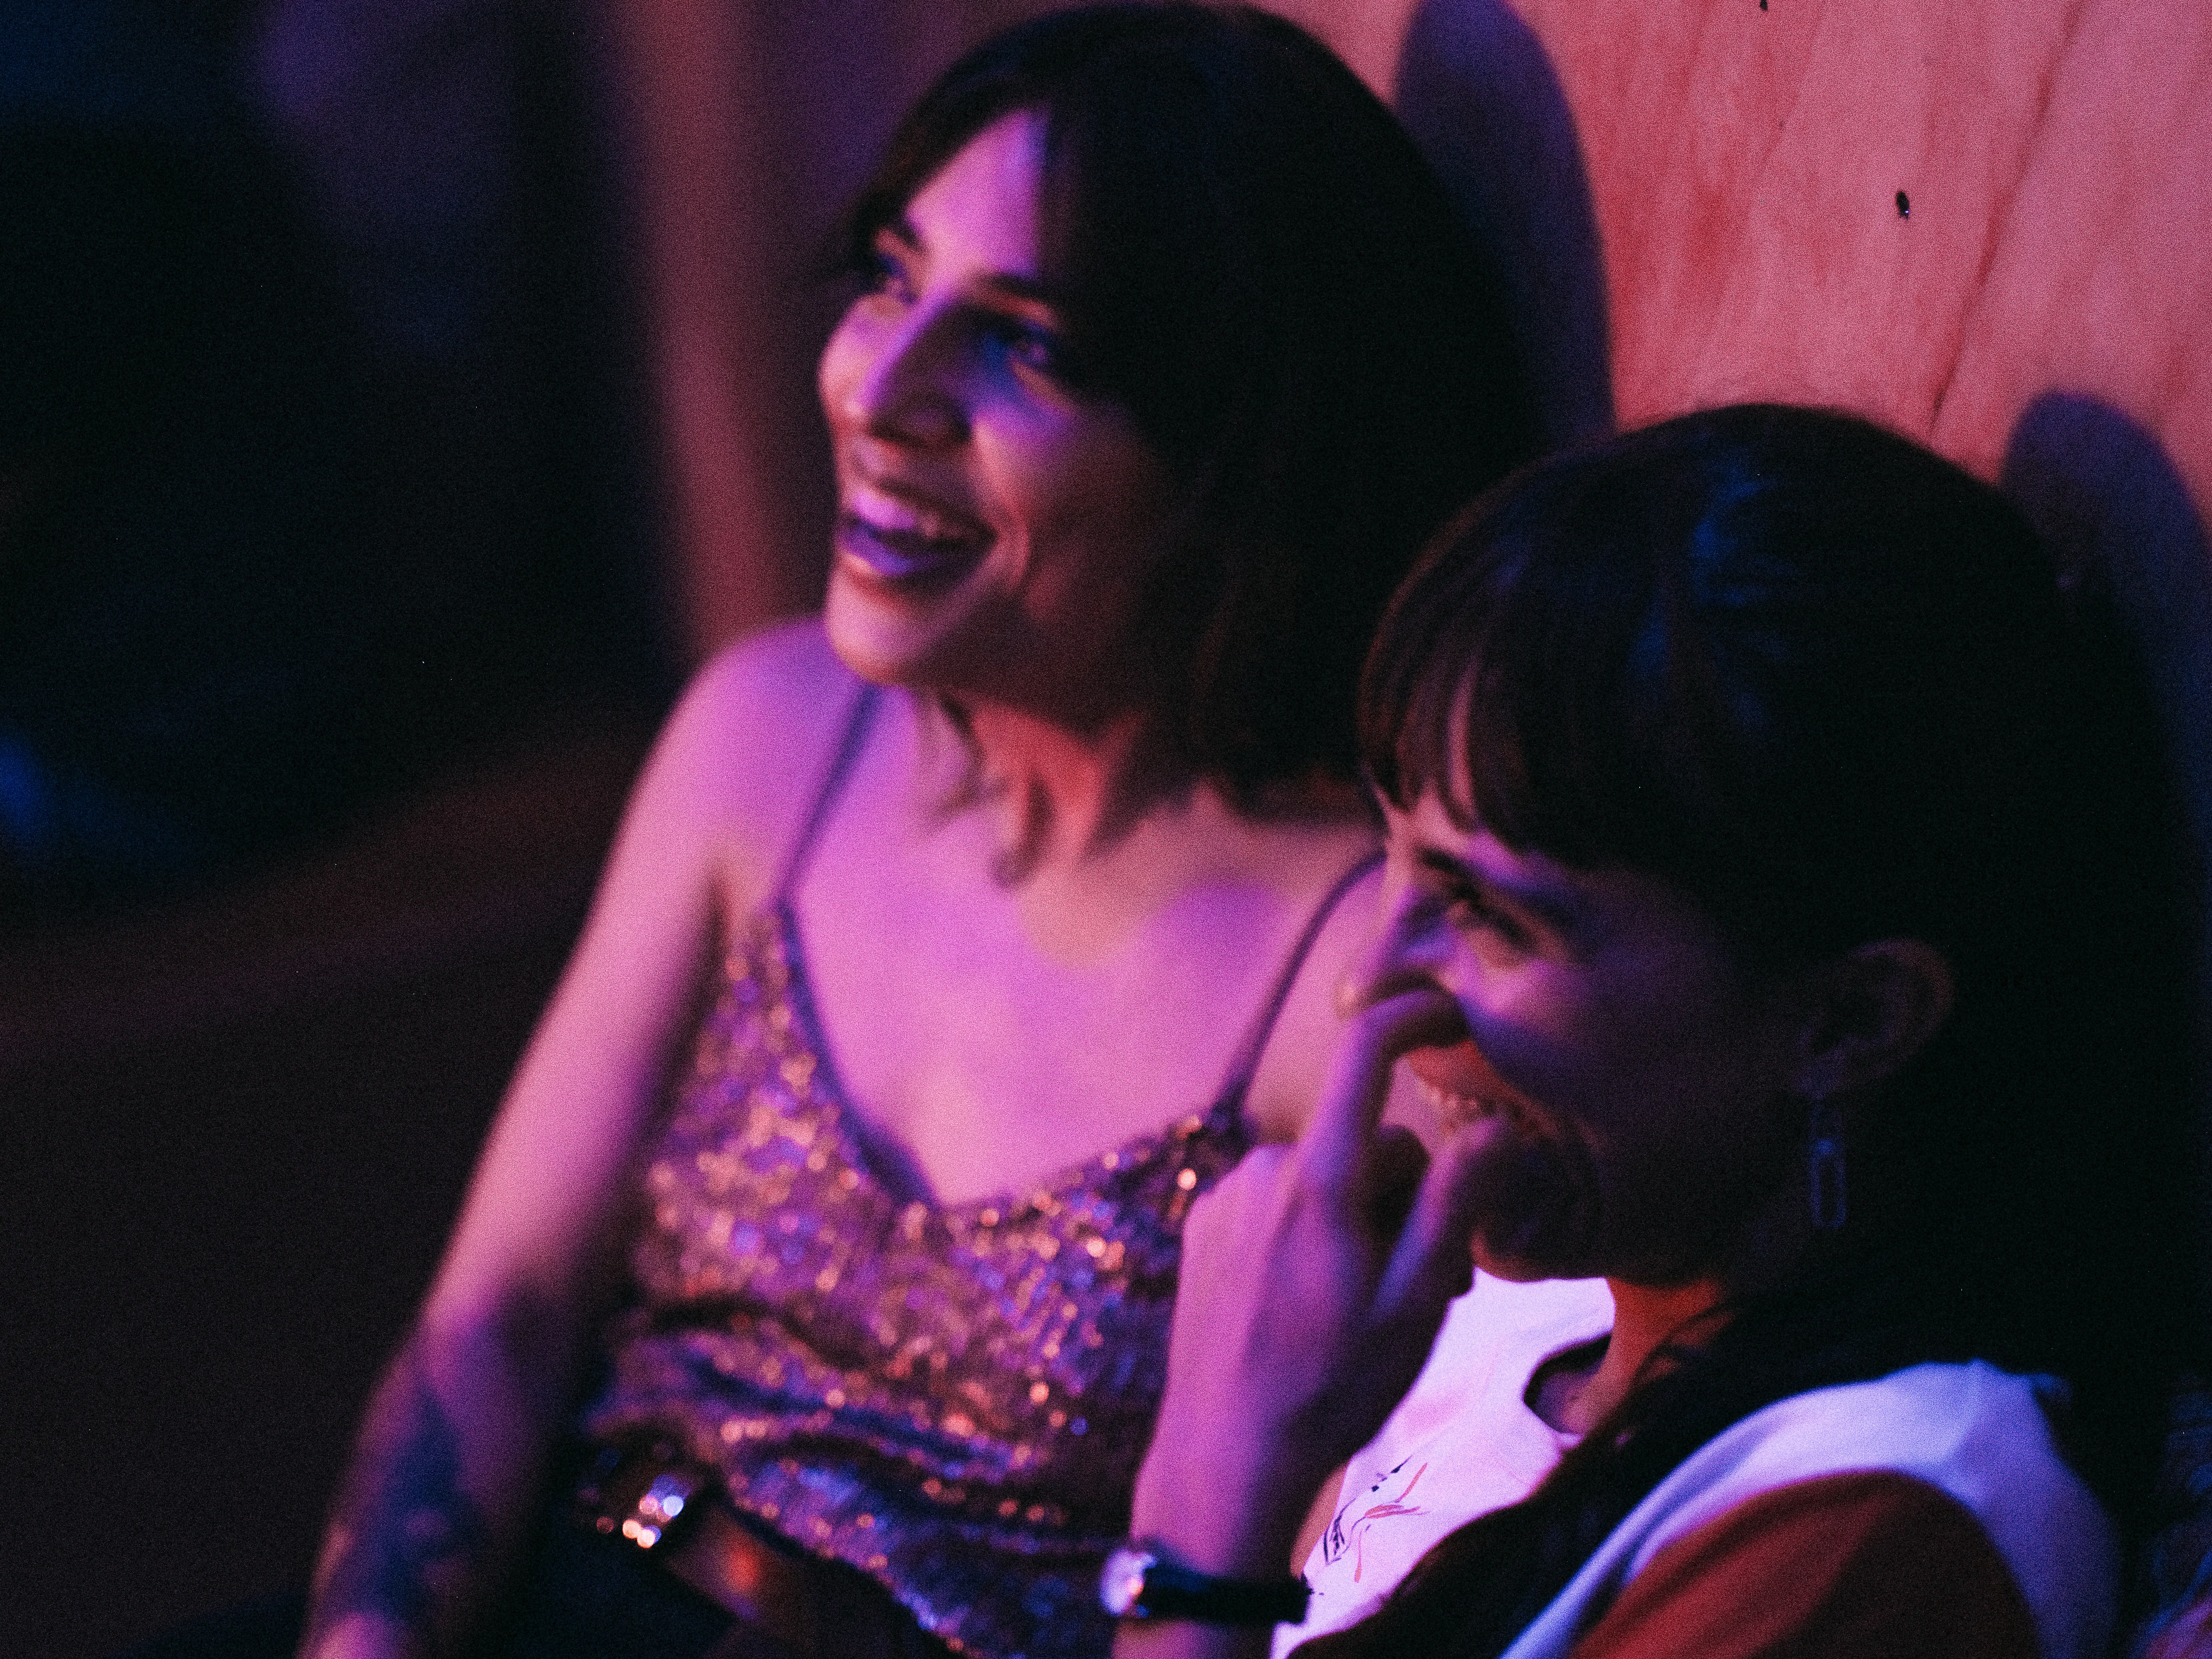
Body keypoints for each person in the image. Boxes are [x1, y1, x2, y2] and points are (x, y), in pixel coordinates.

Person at [294, 8, 1536, 1659]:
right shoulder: (769, 734)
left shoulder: (1361, 970)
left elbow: (1297, 1589)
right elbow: (503, 1313)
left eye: (1024, 345)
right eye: (889, 277)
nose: (880, 388)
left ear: (1233, 463)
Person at [1114, 404, 2199, 1659]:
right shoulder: (1522, 1308)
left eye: (1487, 912)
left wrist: (1215, 1482)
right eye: (1395, 849)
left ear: (1850, 1021)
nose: (1374, 981)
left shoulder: (1880, 1523)